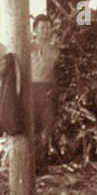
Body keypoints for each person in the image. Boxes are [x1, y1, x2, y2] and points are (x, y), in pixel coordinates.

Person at [30, 14, 59, 173]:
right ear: (35, 30)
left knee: (46, 130)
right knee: (32, 129)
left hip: (48, 91)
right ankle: (31, 166)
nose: (46, 31)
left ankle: (42, 166)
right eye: (42, 28)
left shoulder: (55, 50)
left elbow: (56, 72)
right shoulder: (28, 47)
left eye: (48, 28)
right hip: (32, 91)